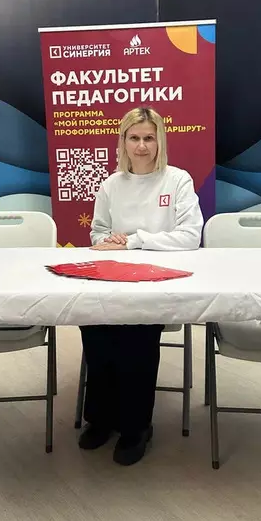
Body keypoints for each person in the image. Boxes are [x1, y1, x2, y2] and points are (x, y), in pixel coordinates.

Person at [79, 106, 204, 466]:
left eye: (149, 137)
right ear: (123, 142)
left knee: (136, 334)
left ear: (160, 140)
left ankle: (136, 427)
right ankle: (100, 418)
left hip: (157, 279)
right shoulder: (111, 184)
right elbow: (98, 233)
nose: (142, 146)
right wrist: (110, 240)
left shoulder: (177, 180)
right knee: (94, 324)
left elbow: (190, 237)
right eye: (134, 138)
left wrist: (133, 241)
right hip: (112, 275)